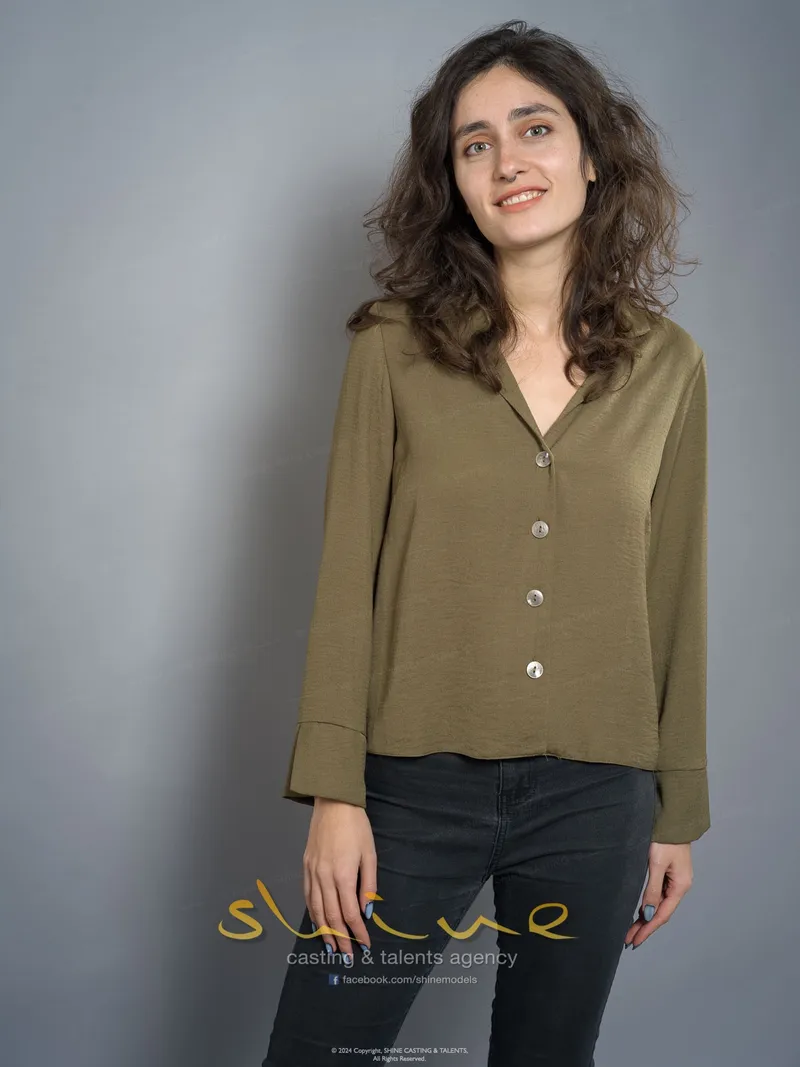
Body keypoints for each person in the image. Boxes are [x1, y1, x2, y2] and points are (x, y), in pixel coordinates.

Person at [263, 19, 709, 1067]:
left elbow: (674, 589)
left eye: (534, 128)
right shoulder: (391, 348)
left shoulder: (669, 364)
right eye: (475, 144)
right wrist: (336, 792)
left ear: (591, 155)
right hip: (410, 787)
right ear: (454, 183)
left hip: (599, 795)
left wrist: (674, 811)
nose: (507, 161)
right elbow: (345, 581)